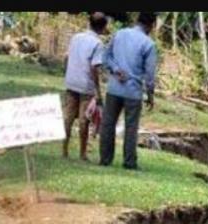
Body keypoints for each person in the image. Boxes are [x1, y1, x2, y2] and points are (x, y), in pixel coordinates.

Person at [99, 12, 158, 170]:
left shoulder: (120, 34)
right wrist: (150, 96)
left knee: (108, 124)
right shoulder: (149, 44)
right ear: (150, 25)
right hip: (133, 92)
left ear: (137, 21)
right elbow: (150, 75)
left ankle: (105, 159)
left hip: (114, 88)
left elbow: (105, 56)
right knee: (131, 128)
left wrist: (116, 69)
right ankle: (129, 162)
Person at [62, 12, 107, 161]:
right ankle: (82, 154)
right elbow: (94, 68)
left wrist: (67, 73)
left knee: (68, 117)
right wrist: (98, 91)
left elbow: (66, 57)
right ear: (103, 28)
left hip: (71, 81)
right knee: (84, 120)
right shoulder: (98, 43)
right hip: (86, 85)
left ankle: (64, 151)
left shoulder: (76, 37)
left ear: (89, 23)